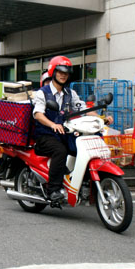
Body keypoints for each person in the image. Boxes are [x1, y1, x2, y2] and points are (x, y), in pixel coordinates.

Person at [33, 56, 112, 204]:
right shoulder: (42, 93)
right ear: (53, 72)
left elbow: (83, 109)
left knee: (82, 149)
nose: (63, 75)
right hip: (46, 134)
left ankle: (83, 185)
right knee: (60, 151)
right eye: (60, 71)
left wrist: (101, 118)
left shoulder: (71, 93)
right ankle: (53, 190)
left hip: (64, 133)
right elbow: (38, 114)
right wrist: (52, 124)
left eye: (66, 72)